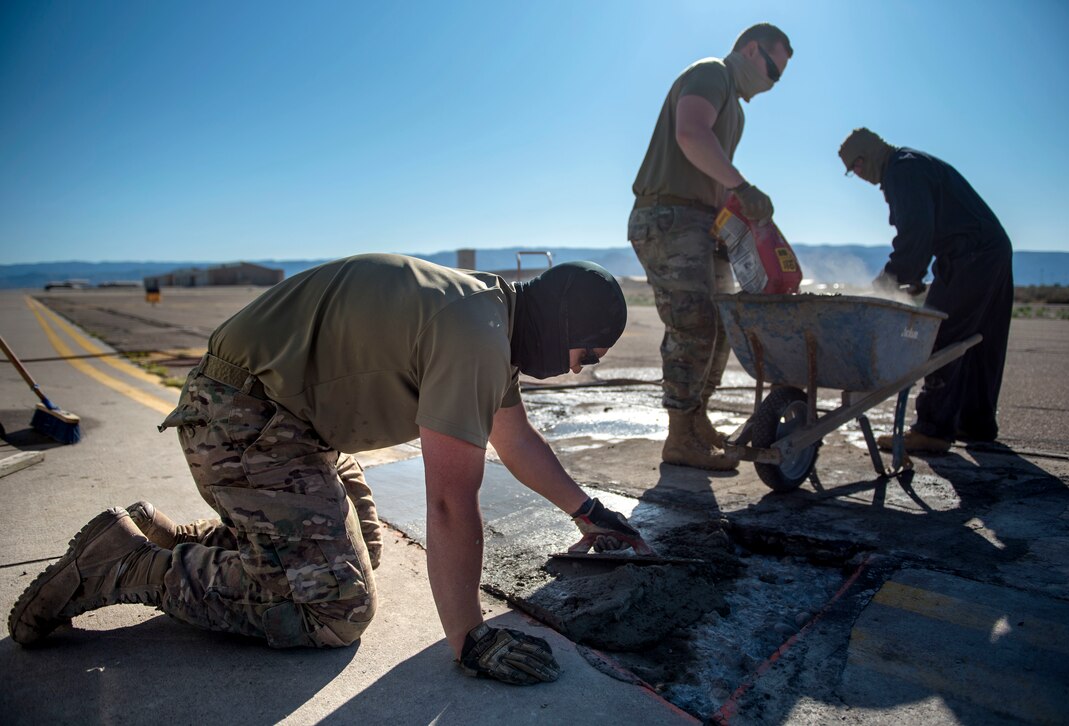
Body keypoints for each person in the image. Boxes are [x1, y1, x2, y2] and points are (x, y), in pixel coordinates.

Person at [9, 253, 653, 686]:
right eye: (587, 350)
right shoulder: (477, 334)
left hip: (284, 422)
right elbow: (452, 503)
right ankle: (122, 563)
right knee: (336, 609)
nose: (577, 368)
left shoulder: (491, 319)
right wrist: (469, 640)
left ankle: (206, 542)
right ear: (564, 321)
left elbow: (516, 442)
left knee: (360, 551)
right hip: (242, 422)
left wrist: (589, 514)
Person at [629, 23, 793, 471]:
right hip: (670, 216)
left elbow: (710, 169)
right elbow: (690, 134)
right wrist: (742, 185)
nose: (773, 82)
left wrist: (737, 214)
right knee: (694, 325)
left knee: (719, 327)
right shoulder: (712, 73)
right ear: (751, 49)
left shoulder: (735, 106)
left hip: (702, 222)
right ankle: (679, 435)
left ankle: (696, 421)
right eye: (773, 69)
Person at [838, 128, 1014, 453]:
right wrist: (914, 275)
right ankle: (974, 423)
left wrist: (885, 286)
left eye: (855, 169)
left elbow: (915, 235)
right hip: (993, 250)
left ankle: (932, 430)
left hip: (969, 254)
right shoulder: (912, 163)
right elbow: (925, 233)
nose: (859, 177)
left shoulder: (901, 170)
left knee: (938, 336)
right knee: (977, 342)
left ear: (865, 157)